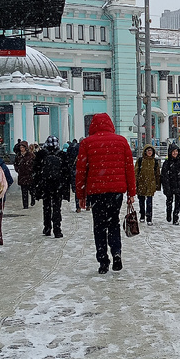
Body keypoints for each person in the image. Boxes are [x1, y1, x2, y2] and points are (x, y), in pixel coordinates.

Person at [75, 113, 135, 273]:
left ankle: (103, 261)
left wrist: (80, 195)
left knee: (99, 226)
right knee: (114, 222)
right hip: (116, 192)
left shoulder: (87, 143)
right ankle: (116, 253)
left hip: (96, 191)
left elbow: (81, 171)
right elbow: (129, 168)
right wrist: (131, 193)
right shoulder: (121, 141)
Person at [33, 135, 70, 238]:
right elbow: (67, 172)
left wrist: (37, 187)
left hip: (45, 185)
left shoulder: (41, 154)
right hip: (58, 185)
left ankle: (47, 228)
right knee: (57, 207)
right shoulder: (62, 154)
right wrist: (65, 188)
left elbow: (35, 171)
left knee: (47, 206)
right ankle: (57, 229)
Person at [161, 142, 180, 225]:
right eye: (173, 151)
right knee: (169, 201)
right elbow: (164, 176)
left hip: (178, 184)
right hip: (170, 185)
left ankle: (175, 216)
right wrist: (166, 187)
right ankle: (169, 214)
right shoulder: (167, 163)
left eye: (176, 151)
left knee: (178, 202)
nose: (175, 153)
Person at [135, 143, 161, 225]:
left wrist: (158, 185)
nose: (149, 152)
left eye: (151, 151)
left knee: (149, 202)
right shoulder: (140, 161)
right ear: (145, 151)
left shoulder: (155, 162)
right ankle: (142, 215)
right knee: (141, 201)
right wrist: (135, 183)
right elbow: (136, 173)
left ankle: (149, 218)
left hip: (151, 184)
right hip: (141, 183)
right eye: (148, 150)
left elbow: (157, 174)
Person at [15, 140, 37, 209]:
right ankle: (25, 205)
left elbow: (35, 164)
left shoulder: (31, 155)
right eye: (20, 147)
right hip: (22, 176)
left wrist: (31, 170)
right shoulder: (18, 156)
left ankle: (33, 198)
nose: (21, 149)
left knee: (31, 190)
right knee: (24, 191)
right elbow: (15, 164)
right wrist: (18, 169)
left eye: (23, 147)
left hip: (29, 176)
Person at [66, 138, 81, 211]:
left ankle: (78, 207)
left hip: (74, 172)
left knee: (77, 191)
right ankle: (87, 204)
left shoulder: (70, 149)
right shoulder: (81, 151)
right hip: (81, 173)